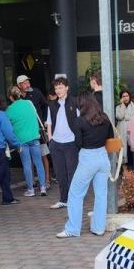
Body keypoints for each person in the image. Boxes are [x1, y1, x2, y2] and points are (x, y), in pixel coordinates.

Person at [56, 94, 113, 238]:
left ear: (82, 106)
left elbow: (79, 143)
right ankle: (99, 228)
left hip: (88, 158)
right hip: (103, 157)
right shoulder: (105, 118)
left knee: (75, 194)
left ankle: (73, 229)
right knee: (101, 195)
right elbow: (110, 137)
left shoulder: (79, 121)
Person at [6, 86, 47, 197]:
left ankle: (31, 190)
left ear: (10, 97)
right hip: (34, 137)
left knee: (27, 165)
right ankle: (43, 187)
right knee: (39, 163)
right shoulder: (29, 103)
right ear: (20, 94)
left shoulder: (9, 110)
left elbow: (8, 126)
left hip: (21, 140)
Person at [46, 76, 79, 209]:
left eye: (60, 87)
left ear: (67, 88)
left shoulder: (74, 102)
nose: (58, 90)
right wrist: (50, 139)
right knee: (60, 173)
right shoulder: (52, 105)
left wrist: (79, 139)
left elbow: (80, 121)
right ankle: (63, 199)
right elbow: (49, 122)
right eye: (56, 88)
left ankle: (73, 199)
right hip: (56, 143)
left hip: (71, 142)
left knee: (72, 172)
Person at [18, 74, 52, 185]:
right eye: (24, 83)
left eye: (28, 81)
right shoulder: (18, 97)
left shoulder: (36, 92)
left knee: (43, 155)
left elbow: (45, 105)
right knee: (28, 158)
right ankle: (31, 181)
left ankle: (46, 179)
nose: (27, 84)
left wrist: (46, 121)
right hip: (25, 130)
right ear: (19, 85)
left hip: (38, 129)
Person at [115, 90, 134, 167]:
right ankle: (124, 170)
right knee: (122, 150)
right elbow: (119, 116)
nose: (125, 98)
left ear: (129, 97)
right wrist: (122, 105)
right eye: (123, 96)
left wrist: (126, 117)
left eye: (127, 96)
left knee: (132, 150)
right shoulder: (118, 107)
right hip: (122, 131)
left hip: (132, 131)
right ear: (121, 98)